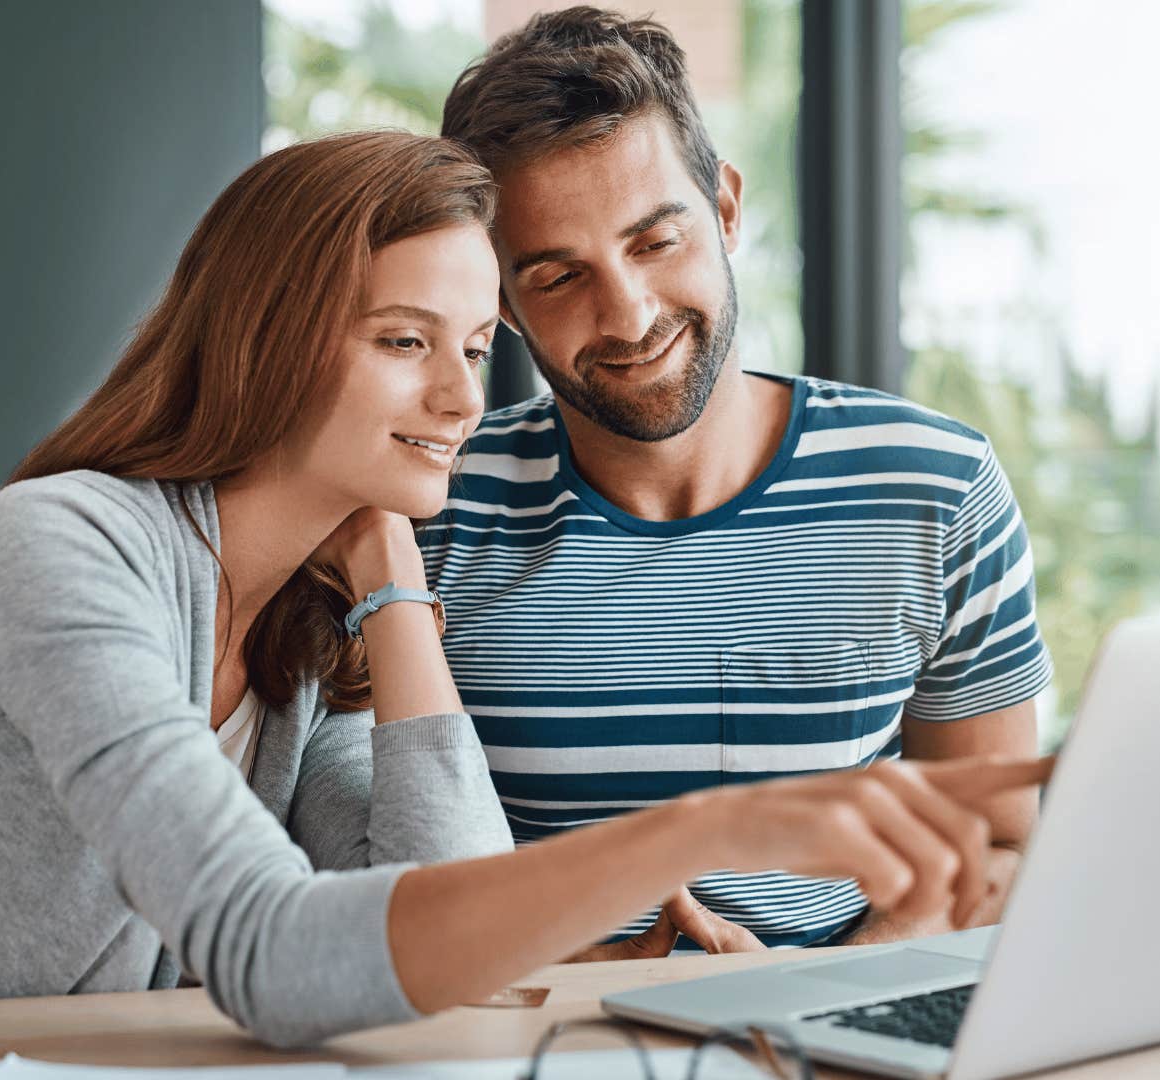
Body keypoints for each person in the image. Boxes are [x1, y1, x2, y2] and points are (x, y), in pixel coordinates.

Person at [0, 131, 1050, 1047]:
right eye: (402, 342)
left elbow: (442, 921)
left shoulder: (297, 641)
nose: (460, 396)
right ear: (261, 343)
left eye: (478, 344)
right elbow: (270, 952)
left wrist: (386, 570)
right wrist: (708, 827)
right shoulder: (62, 549)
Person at [428, 7, 1055, 956]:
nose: (628, 315)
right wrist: (585, 975)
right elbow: (371, 877)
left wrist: (806, 1000)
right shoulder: (432, 508)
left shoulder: (937, 486)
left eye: (654, 241)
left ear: (724, 206)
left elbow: (999, 846)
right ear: (505, 306)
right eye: (558, 278)